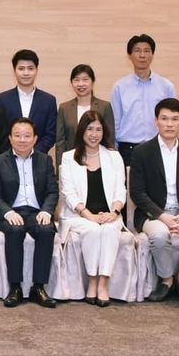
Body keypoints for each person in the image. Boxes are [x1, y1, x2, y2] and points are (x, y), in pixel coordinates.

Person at [130, 98, 179, 302]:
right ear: (156, 121)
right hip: (154, 214)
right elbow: (137, 193)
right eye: (164, 119)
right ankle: (166, 280)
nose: (169, 124)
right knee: (159, 235)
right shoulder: (142, 152)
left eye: (174, 119)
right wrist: (162, 216)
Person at [0, 118, 59, 308]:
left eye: (27, 136)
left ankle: (38, 287)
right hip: (12, 212)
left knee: (46, 230)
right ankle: (15, 287)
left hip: (36, 212)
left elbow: (52, 191)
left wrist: (46, 211)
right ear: (10, 138)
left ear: (35, 139)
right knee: (15, 230)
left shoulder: (45, 160)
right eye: (17, 135)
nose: (22, 140)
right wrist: (7, 212)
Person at [59, 111, 128, 307]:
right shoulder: (69, 157)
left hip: (109, 214)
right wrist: (89, 215)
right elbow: (69, 193)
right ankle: (92, 280)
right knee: (93, 230)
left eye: (98, 129)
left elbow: (120, 190)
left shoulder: (114, 156)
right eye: (90, 129)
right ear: (82, 131)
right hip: (79, 215)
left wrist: (114, 213)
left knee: (109, 230)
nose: (94, 134)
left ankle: (103, 283)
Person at [111, 34, 176, 165]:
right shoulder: (120, 87)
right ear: (129, 55)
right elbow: (115, 122)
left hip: (159, 147)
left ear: (152, 54)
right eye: (137, 50)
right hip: (128, 149)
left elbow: (174, 119)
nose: (142, 55)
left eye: (147, 51)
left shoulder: (166, 86)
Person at [0, 49, 58, 155]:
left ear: (37, 70)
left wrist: (33, 154)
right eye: (21, 68)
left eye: (30, 68)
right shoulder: (1, 99)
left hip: (38, 159)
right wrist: (12, 154)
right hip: (8, 159)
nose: (26, 73)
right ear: (14, 70)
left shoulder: (49, 100)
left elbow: (51, 134)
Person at [56, 64, 114, 157]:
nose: (80, 84)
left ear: (92, 82)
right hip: (72, 160)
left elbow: (109, 139)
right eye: (76, 80)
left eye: (85, 79)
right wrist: (61, 164)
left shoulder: (105, 107)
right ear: (71, 83)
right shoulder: (64, 108)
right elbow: (60, 142)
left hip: (99, 159)